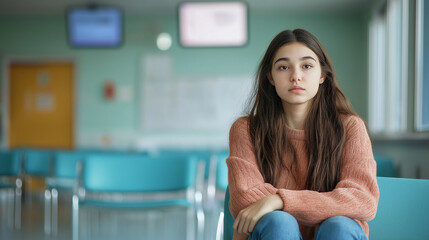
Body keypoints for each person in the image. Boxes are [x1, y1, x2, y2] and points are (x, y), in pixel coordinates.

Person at [226, 29, 379, 240]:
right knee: (279, 222)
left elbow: (362, 200)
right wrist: (292, 204)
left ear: (322, 75)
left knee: (339, 226)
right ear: (270, 77)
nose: (295, 76)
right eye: (283, 67)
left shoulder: (351, 127)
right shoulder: (246, 129)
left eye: (307, 66)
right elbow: (245, 199)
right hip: (273, 234)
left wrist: (278, 200)